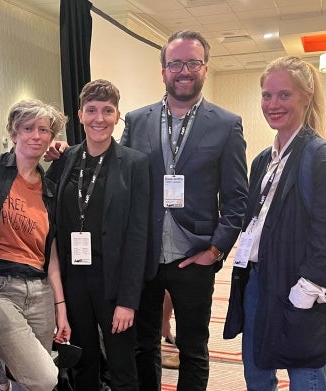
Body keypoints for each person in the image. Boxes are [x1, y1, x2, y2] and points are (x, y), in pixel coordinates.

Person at [121, 30, 248, 391]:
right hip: (145, 257)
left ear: (205, 68)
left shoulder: (226, 124)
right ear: (163, 70)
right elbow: (117, 174)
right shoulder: (136, 120)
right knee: (144, 346)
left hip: (194, 257)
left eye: (193, 62)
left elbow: (238, 197)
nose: (184, 70)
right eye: (175, 63)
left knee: (193, 348)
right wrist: (70, 153)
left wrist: (215, 249)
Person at [231, 56, 326, 390]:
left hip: (301, 288)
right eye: (266, 96)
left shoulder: (321, 156)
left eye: (284, 95)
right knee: (256, 374)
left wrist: (305, 292)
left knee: (306, 377)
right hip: (258, 283)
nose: (273, 104)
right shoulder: (263, 160)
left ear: (306, 95)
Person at [46, 79, 150, 391]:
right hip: (73, 280)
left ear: (118, 116)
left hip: (113, 283)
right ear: (79, 115)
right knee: (83, 362)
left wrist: (128, 301)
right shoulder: (65, 159)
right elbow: (44, 205)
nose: (99, 118)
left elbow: (138, 234)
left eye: (107, 111)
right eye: (91, 110)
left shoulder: (135, 164)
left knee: (121, 366)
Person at [0, 99, 71, 391]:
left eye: (44, 130)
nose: (36, 136)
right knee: (44, 378)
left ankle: (1, 367)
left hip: (40, 291)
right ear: (14, 133)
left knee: (25, 383)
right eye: (28, 128)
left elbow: (50, 254)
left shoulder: (51, 191)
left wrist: (61, 307)